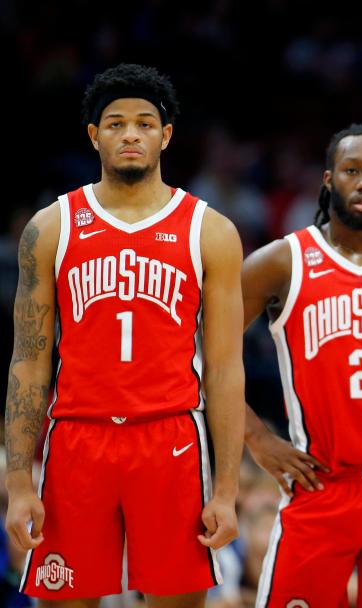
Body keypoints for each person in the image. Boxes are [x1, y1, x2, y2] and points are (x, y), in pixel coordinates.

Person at [4, 63, 244, 605]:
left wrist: (226, 489)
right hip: (76, 441)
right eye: (115, 124)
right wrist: (20, 481)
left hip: (171, 440)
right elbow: (27, 361)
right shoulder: (50, 226)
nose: (130, 134)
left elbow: (226, 368)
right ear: (94, 136)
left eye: (143, 123)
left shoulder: (210, 230)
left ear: (166, 134)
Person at [240, 122, 362, 607]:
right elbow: (192, 350)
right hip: (320, 484)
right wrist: (257, 438)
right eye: (351, 170)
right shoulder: (282, 261)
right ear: (326, 179)